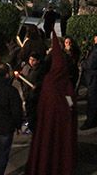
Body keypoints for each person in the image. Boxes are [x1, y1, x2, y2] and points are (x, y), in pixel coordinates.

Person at [25, 34, 77, 175]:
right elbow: (70, 102)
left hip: (47, 122)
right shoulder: (62, 84)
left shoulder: (48, 82)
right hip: (59, 123)